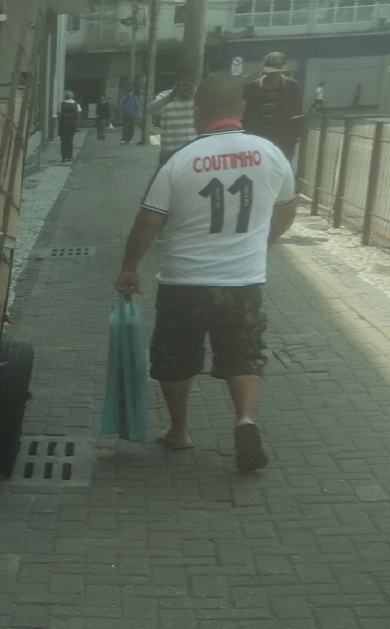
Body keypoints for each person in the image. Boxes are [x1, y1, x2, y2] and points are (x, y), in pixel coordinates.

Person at [113, 74, 298, 473]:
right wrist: (263, 241)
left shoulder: (180, 162)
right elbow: (287, 208)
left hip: (185, 284)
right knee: (245, 357)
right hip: (244, 283)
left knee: (175, 360)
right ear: (242, 110)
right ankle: (245, 420)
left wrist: (129, 267)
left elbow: (148, 221)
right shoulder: (271, 154)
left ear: (198, 113)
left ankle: (179, 432)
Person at [242, 52, 302, 161]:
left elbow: (296, 114)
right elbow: (246, 115)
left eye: (278, 67)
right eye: (272, 68)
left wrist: (293, 140)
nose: (274, 73)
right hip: (258, 141)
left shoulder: (292, 86)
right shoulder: (252, 87)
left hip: (282, 140)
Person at [149, 67, 198, 166]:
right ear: (177, 81)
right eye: (184, 81)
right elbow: (151, 110)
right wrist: (171, 97)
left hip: (194, 154)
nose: (187, 84)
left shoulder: (200, 97)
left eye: (190, 81)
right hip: (169, 155)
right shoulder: (165, 96)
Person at [58, 91, 83, 162]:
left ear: (66, 97)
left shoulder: (62, 104)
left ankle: (64, 157)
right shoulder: (76, 105)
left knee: (63, 141)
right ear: (72, 97)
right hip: (72, 125)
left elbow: (59, 114)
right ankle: (70, 156)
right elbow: (79, 115)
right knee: (70, 140)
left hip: (63, 124)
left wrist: (60, 122)